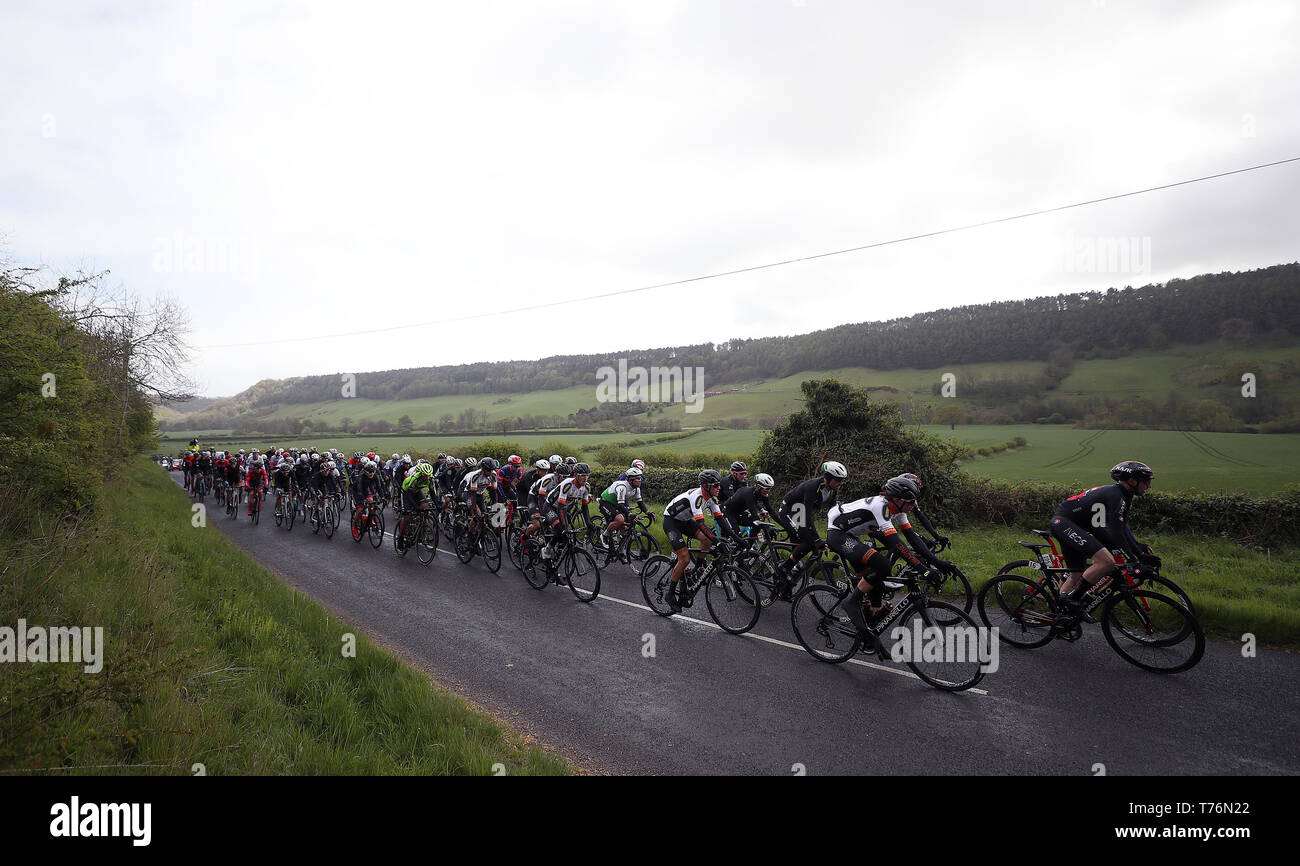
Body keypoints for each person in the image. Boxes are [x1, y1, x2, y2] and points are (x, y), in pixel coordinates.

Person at [829, 476, 953, 633]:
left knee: (877, 581)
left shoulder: (899, 509)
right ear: (896, 499)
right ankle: (850, 602)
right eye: (910, 502)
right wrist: (923, 570)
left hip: (852, 535)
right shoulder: (880, 507)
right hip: (837, 534)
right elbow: (896, 543)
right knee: (883, 566)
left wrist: (938, 562)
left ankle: (869, 626)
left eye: (913, 501)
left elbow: (912, 539)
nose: (913, 505)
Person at [1050, 461, 1157, 620]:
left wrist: (1139, 549)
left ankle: (1061, 617)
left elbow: (1121, 528)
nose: (1148, 486)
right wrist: (1134, 559)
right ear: (1132, 481)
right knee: (1106, 562)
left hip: (1084, 525)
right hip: (1065, 522)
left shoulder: (1123, 495)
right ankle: (1072, 600)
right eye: (1146, 481)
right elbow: (1115, 531)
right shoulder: (1117, 495)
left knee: (1077, 573)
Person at [660, 470, 741, 611]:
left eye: (719, 485)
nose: (718, 488)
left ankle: (698, 569)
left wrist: (737, 538)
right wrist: (718, 541)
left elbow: (721, 520)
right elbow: (702, 524)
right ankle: (670, 593)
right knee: (684, 559)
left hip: (685, 521)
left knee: (707, 540)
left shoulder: (711, 498)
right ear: (705, 486)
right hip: (671, 521)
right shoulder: (697, 497)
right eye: (715, 485)